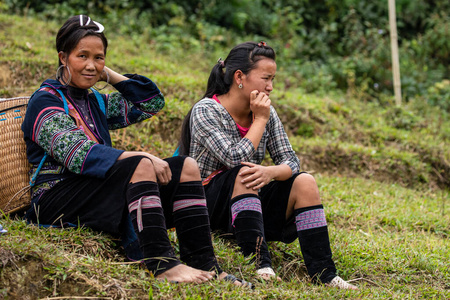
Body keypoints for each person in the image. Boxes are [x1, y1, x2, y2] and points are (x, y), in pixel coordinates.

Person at [21, 15, 252, 287]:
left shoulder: (94, 100)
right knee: (141, 164)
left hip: (93, 189)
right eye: (81, 56)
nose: (90, 64)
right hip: (55, 197)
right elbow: (78, 154)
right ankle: (162, 263)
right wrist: (142, 158)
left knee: (186, 166)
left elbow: (151, 102)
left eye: (99, 57)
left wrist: (105, 74)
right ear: (63, 57)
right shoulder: (46, 100)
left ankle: (205, 262)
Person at [177, 41, 358, 289]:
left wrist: (271, 171)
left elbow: (291, 161)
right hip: (208, 207)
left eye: (273, 79)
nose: (270, 87)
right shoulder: (207, 110)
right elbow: (233, 158)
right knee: (245, 171)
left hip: (247, 204)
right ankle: (261, 264)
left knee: (305, 181)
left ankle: (325, 274)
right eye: (265, 78)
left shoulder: (266, 113)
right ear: (239, 77)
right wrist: (259, 119)